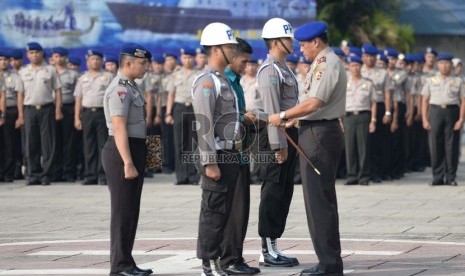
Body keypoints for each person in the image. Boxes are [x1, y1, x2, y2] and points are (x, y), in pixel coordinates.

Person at [268, 21, 345, 276]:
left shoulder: (326, 63)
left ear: (316, 42)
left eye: (303, 44)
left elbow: (314, 103)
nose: (300, 49)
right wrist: (293, 119)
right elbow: (313, 108)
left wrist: (281, 114)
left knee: (319, 202)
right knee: (317, 201)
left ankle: (329, 264)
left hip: (320, 135)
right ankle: (327, 260)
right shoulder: (320, 63)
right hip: (315, 130)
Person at [192, 22, 240, 276]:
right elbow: (203, 124)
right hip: (218, 155)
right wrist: (209, 161)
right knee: (213, 210)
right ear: (216, 49)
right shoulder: (208, 82)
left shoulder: (223, 80)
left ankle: (217, 260)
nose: (234, 50)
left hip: (230, 153)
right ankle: (208, 264)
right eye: (230, 45)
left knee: (224, 211)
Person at [102, 43, 153, 276]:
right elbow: (120, 127)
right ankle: (119, 266)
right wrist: (128, 162)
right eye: (143, 63)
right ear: (128, 63)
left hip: (135, 148)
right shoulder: (119, 89)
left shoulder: (132, 86)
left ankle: (127, 261)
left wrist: (148, 156)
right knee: (123, 211)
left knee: (131, 209)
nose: (146, 67)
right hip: (123, 151)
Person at [255, 17, 299, 268]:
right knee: (273, 191)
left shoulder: (284, 68)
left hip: (287, 133)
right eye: (287, 38)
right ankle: (266, 249)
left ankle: (273, 245)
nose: (292, 42)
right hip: (275, 135)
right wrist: (277, 145)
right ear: (275, 41)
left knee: (284, 192)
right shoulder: (270, 70)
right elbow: (272, 112)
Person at [220, 37, 260, 275]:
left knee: (241, 209)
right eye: (243, 61)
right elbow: (219, 118)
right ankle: (227, 260)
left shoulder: (235, 82)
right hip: (228, 153)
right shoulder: (222, 81)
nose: (247, 66)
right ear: (231, 56)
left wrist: (247, 117)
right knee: (232, 210)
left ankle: (235, 256)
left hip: (241, 150)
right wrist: (243, 117)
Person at [17, 42, 63, 185]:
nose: (35, 55)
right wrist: (20, 115)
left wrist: (58, 110)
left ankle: (46, 175)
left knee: (48, 143)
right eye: (31, 52)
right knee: (31, 143)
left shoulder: (50, 70)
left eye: (37, 52)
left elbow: (58, 90)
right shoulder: (23, 72)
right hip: (29, 109)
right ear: (27, 55)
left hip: (47, 109)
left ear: (42, 53)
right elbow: (20, 94)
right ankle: (33, 174)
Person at [421, 52, 464, 186]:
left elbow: (463, 101)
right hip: (435, 111)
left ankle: (451, 177)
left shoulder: (458, 81)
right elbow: (425, 100)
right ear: (438, 65)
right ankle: (437, 176)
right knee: (435, 145)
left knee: (452, 146)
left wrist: (461, 119)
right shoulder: (431, 80)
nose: (444, 66)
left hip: (452, 111)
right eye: (441, 63)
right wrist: (424, 119)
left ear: (451, 65)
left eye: (447, 63)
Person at [74, 50, 113, 185]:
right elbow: (78, 98)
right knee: (88, 145)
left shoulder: (108, 77)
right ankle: (90, 175)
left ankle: (103, 175)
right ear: (87, 62)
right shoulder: (82, 78)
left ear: (102, 61)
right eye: (92, 59)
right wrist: (77, 118)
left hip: (103, 113)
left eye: (97, 59)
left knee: (103, 145)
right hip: (87, 113)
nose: (95, 61)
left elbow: (113, 97)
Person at [165, 47, 200, 184]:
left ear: (194, 59)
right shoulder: (176, 74)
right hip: (179, 108)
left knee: (193, 143)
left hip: (194, 109)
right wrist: (168, 113)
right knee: (179, 142)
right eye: (185, 57)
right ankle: (181, 175)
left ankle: (193, 175)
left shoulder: (200, 74)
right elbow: (171, 95)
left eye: (190, 57)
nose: (187, 60)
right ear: (181, 59)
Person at [360, 44, 391, 183]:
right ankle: (364, 171)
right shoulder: (358, 70)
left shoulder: (382, 73)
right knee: (363, 143)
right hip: (363, 107)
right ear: (363, 57)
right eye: (367, 56)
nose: (370, 59)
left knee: (378, 142)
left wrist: (388, 111)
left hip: (378, 107)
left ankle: (377, 171)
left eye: (372, 56)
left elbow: (387, 93)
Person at [344, 55, 376, 185]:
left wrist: (373, 120)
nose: (355, 68)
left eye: (357, 65)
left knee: (363, 147)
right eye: (353, 66)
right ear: (349, 67)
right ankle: (351, 175)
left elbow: (373, 102)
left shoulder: (368, 83)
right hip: (349, 116)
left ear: (361, 67)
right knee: (349, 147)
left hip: (363, 115)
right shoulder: (344, 83)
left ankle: (364, 176)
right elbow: (340, 102)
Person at [51, 47, 80, 182]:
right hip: (50, 109)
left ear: (66, 58)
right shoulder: (48, 72)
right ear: (53, 58)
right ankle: (56, 172)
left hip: (69, 109)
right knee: (54, 142)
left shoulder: (73, 74)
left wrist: (76, 114)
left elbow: (78, 96)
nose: (59, 59)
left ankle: (69, 172)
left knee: (69, 142)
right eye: (56, 56)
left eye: (62, 56)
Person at [0, 50, 22, 182]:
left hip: (10, 111)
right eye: (0, 60)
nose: (3, 62)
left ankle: (9, 173)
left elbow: (20, 96)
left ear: (10, 62)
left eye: (5, 60)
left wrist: (20, 115)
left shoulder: (15, 76)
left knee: (9, 144)